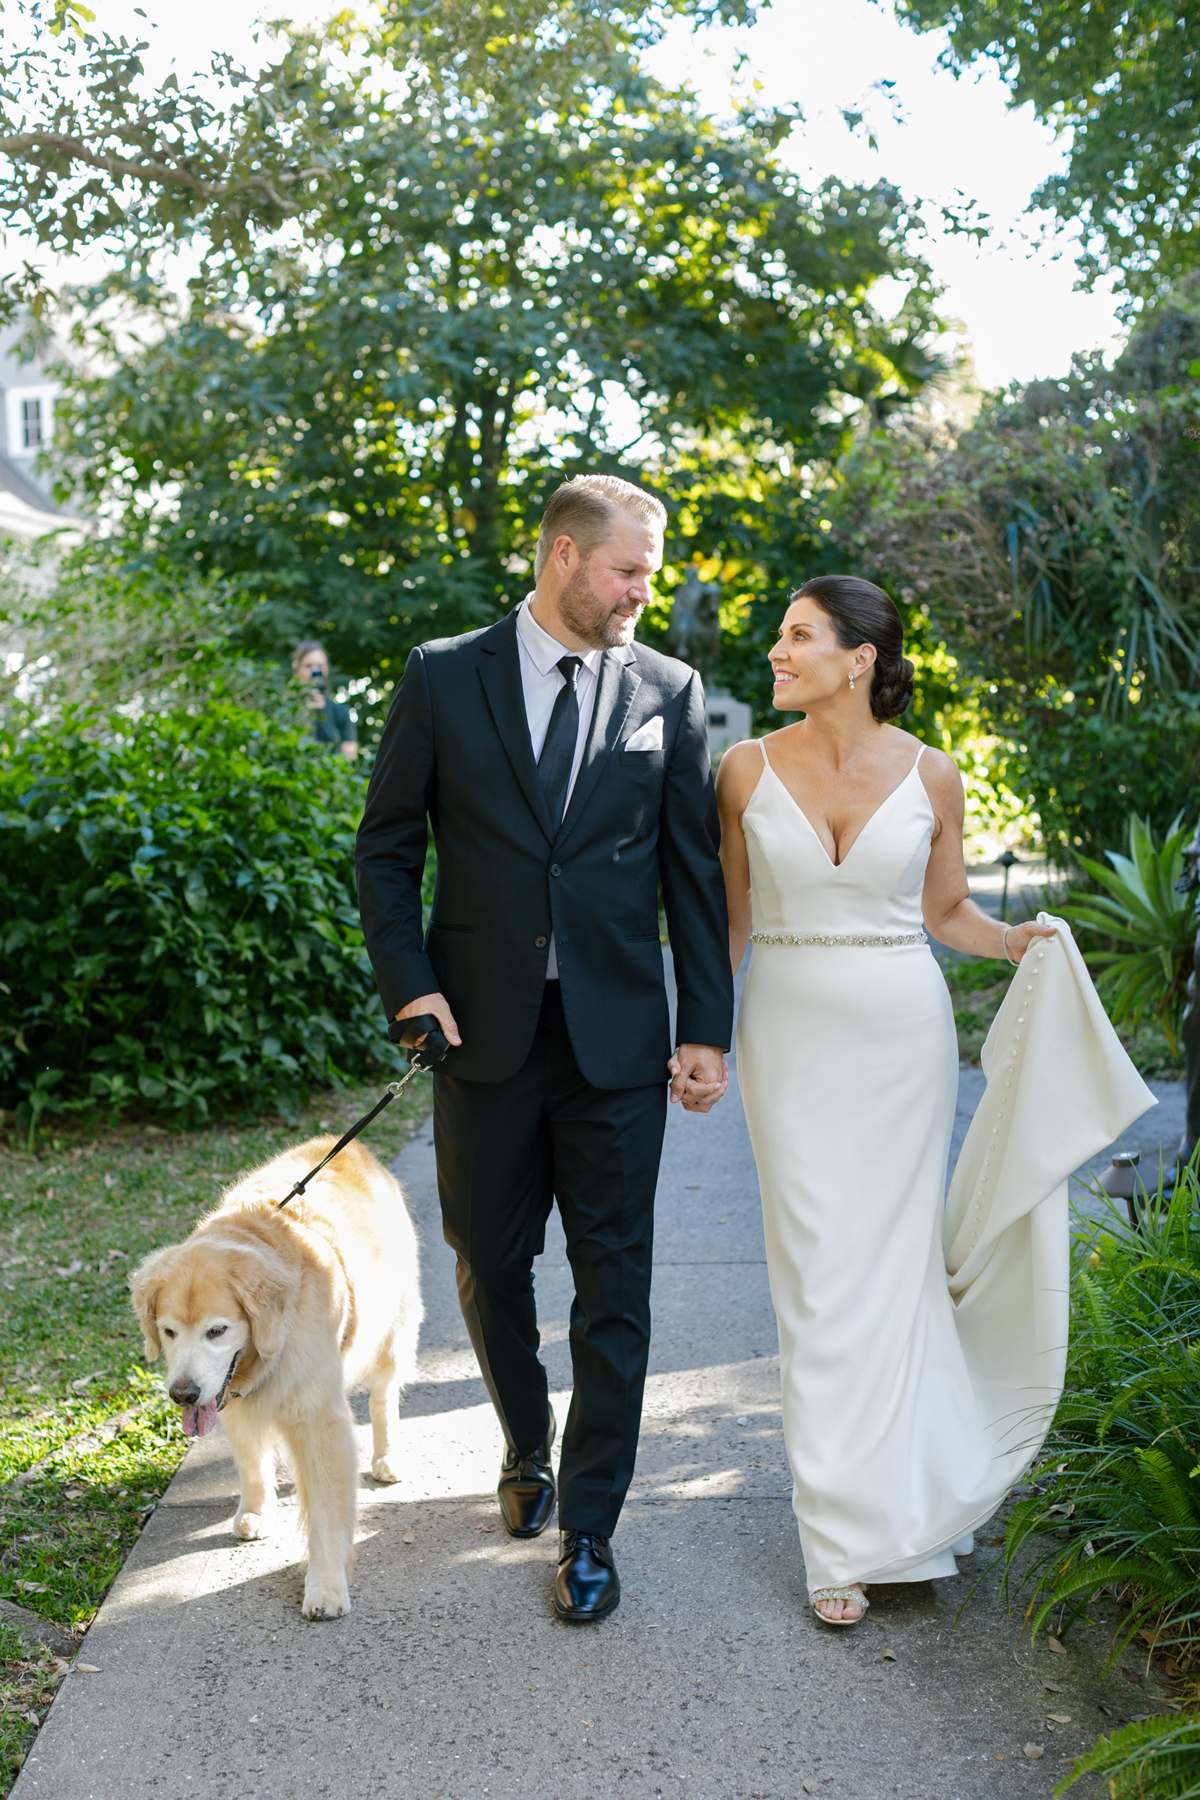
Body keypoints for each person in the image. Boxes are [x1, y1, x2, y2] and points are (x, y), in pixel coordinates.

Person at [355, 474, 734, 1623]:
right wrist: (413, 989)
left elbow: (691, 874)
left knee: (615, 1284)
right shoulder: (442, 675)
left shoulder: (668, 688)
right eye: (628, 572)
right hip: (482, 1032)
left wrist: (706, 1027)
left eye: (647, 577)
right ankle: (526, 1441)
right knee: (488, 1257)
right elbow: (385, 850)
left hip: (620, 1040)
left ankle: (592, 1525)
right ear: (565, 555)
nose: (639, 594)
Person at [716, 575, 1059, 1627]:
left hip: (902, 1037)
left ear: (858, 657)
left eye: (798, 636)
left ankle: (899, 1512)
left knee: (893, 1272)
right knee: (817, 1281)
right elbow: (727, 925)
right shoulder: (739, 771)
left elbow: (946, 909)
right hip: (788, 1031)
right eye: (780, 635)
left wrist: (1017, 943)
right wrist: (692, 1041)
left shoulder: (935, 775)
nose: (777, 652)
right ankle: (837, 1541)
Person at [293, 640, 358, 759]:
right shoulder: (286, 710)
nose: (315, 671)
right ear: (297, 671)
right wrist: (307, 714)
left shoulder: (341, 712)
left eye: (320, 666)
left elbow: (350, 758)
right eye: (308, 666)